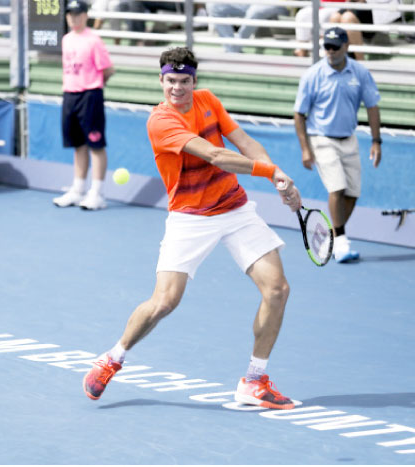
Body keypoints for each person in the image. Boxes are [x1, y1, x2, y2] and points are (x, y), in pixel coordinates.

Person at [82, 46, 302, 410]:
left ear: (194, 81)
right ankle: (112, 358)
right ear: (161, 80)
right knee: (164, 302)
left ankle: (254, 379)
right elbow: (215, 155)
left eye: (185, 81)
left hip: (233, 207)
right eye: (171, 81)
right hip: (190, 216)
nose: (177, 88)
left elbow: (243, 142)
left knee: (277, 289)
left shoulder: (208, 101)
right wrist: (273, 173)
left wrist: (281, 180)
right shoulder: (161, 121)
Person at [293, 27, 382, 263]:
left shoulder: (360, 73)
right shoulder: (313, 75)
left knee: (352, 194)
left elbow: (372, 106)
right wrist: (305, 148)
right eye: (327, 47)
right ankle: (341, 241)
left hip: (349, 139)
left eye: (335, 47)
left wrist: (376, 140)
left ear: (346, 47)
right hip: (321, 139)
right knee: (337, 188)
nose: (330, 51)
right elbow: (299, 114)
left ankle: (332, 238)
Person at [53, 0, 115, 210]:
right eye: (70, 14)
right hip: (69, 95)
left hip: (90, 96)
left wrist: (93, 87)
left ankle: (97, 193)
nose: (74, 18)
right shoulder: (66, 40)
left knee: (95, 145)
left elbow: (107, 69)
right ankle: (77, 190)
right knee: (77, 144)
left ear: (86, 16)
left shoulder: (94, 40)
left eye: (78, 14)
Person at [328, 0, 401, 60]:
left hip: (377, 7)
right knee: (335, 17)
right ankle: (335, 62)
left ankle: (360, 63)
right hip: (354, 4)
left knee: (348, 18)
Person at [207, 1, 290, 53]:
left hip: (278, 3)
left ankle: (234, 48)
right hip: (251, 2)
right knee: (214, 5)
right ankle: (231, 46)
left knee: (255, 11)